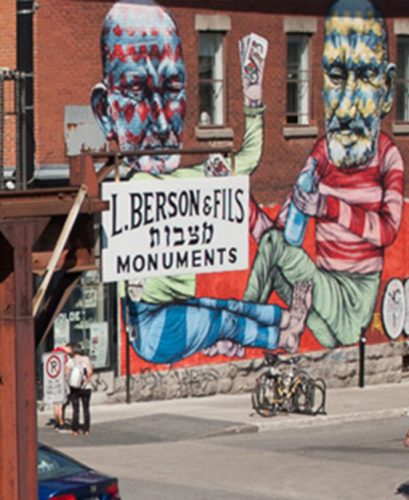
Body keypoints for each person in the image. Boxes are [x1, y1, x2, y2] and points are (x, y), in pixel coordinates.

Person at [90, 5, 282, 362]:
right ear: (105, 111)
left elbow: (249, 158)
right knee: (223, 318)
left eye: (173, 89)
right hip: (151, 329)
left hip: (174, 313)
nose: (162, 123)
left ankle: (285, 323)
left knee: (221, 305)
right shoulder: (116, 186)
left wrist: (252, 90)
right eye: (137, 93)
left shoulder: (193, 180)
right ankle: (279, 338)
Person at [240, 0, 404, 353]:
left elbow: (389, 229)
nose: (346, 107)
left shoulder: (387, 155)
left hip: (355, 302)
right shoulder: (323, 152)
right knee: (274, 244)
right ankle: (259, 324)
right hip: (319, 299)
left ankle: (241, 327)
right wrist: (240, 200)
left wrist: (327, 206)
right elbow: (279, 238)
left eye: (364, 77)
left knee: (276, 248)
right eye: (336, 76)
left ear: (388, 89)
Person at [63, 341, 94, 435]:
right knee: (86, 408)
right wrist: (85, 381)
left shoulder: (71, 361)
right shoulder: (86, 359)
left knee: (75, 409)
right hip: (86, 387)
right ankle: (86, 430)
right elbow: (90, 372)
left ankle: (75, 430)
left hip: (75, 388)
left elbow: (66, 374)